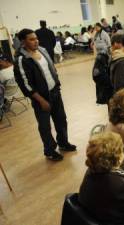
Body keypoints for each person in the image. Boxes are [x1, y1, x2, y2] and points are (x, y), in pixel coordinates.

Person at [13, 29, 76, 161]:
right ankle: (49, 150)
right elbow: (25, 84)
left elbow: (51, 67)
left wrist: (57, 85)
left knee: (61, 120)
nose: (36, 41)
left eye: (36, 38)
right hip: (41, 98)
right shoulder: (21, 59)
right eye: (31, 39)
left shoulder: (42, 50)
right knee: (45, 127)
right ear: (23, 42)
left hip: (55, 92)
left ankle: (63, 143)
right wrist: (41, 100)